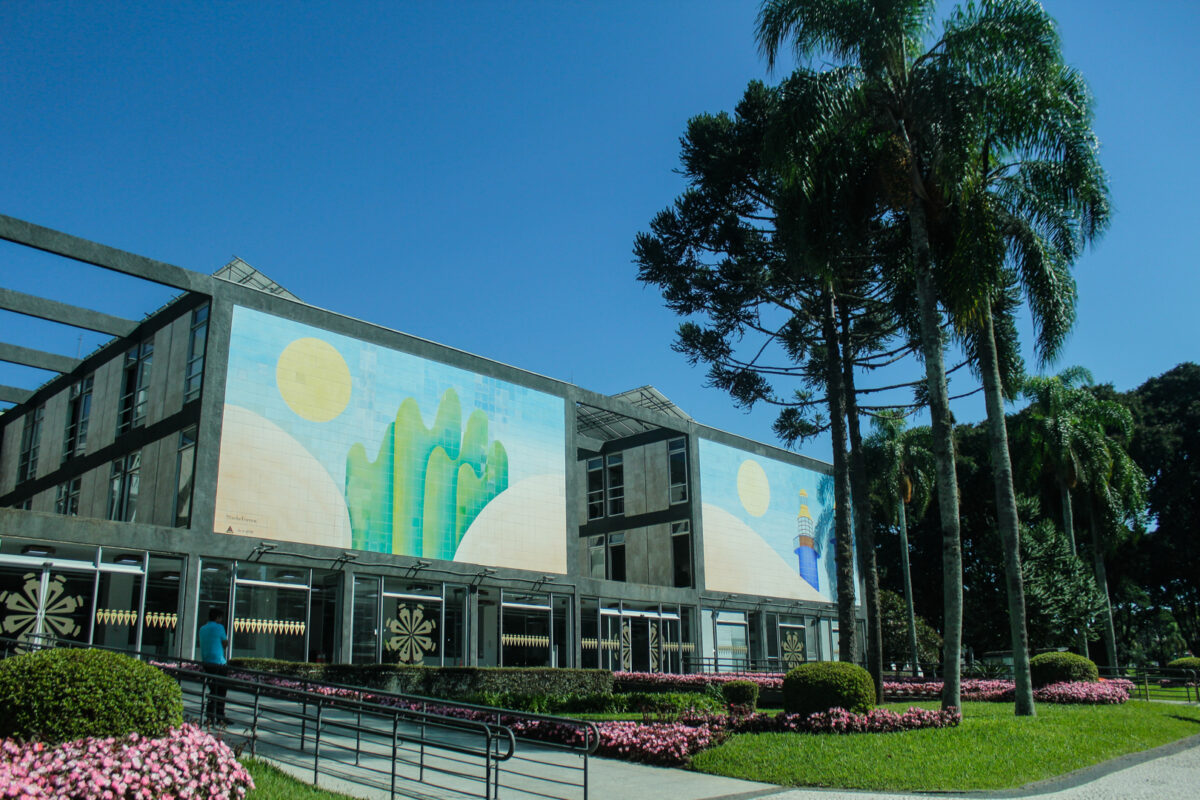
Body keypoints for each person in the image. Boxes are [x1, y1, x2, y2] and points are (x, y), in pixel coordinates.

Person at [198, 608, 229, 724]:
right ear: (217, 618)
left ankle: (210, 714)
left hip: (206, 662)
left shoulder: (202, 629)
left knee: (213, 688)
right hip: (219, 663)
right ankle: (219, 715)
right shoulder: (219, 627)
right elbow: (225, 643)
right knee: (221, 690)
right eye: (220, 618)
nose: (221, 620)